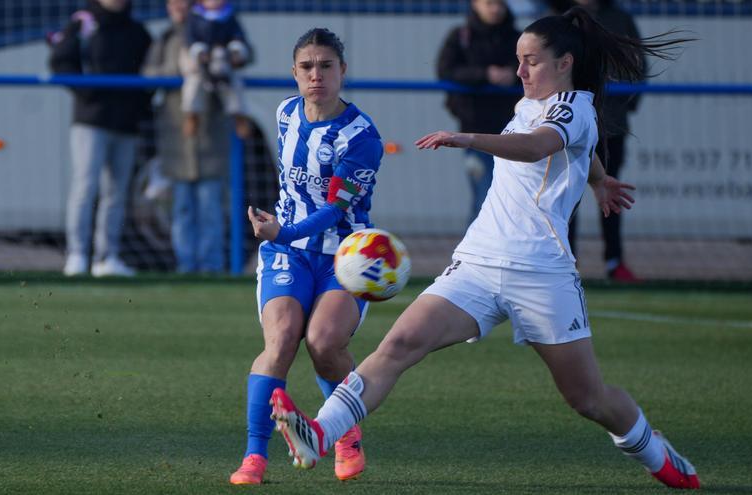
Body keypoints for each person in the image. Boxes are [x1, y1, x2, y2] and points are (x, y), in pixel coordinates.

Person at [270, 8, 700, 490]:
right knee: (399, 344)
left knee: (589, 400)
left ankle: (654, 449)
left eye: (531, 61)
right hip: (476, 263)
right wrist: (598, 179)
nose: (520, 71)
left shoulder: (573, 106)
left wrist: (469, 138)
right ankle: (319, 435)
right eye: (518, 60)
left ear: (565, 62)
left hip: (541, 275)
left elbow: (541, 145)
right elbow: (576, 145)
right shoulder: (530, 103)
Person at [228, 28, 385, 485]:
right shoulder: (285, 114)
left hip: (345, 255)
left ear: (343, 71)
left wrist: (285, 230)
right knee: (279, 342)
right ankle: (255, 457)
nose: (316, 75)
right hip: (286, 253)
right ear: (294, 73)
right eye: (306, 67)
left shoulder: (361, 137)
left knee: (323, 344)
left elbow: (336, 209)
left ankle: (345, 431)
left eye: (326, 66)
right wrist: (283, 236)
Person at [49, 0, 152, 277]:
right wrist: (89, 94)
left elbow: (148, 73)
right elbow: (61, 62)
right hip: (91, 121)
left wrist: (138, 106)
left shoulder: (137, 30)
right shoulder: (83, 23)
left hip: (125, 123)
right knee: (85, 187)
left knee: (116, 193)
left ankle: (107, 257)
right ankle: (77, 255)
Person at [143, 0, 229, 273]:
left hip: (209, 135)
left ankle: (211, 266)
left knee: (210, 207)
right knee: (181, 208)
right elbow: (146, 74)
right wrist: (175, 73)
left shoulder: (216, 29)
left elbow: (241, 57)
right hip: (177, 137)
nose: (178, 6)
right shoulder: (165, 38)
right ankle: (186, 265)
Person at [567, 0, 645, 281]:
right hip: (570, 129)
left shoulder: (620, 19)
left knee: (610, 194)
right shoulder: (560, 17)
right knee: (566, 197)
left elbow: (638, 65)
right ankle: (566, 261)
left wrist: (621, 106)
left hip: (610, 126)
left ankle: (614, 261)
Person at [437, 0, 521, 225]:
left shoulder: (517, 37)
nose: (495, 9)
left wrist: (513, 75)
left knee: (512, 199)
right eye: (489, 3)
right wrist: (485, 74)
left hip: (513, 130)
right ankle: (472, 255)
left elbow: (533, 66)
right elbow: (445, 71)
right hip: (475, 128)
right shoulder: (460, 36)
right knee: (484, 196)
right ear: (475, 4)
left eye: (500, 4)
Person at [181, 0, 252, 136]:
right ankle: (192, 114)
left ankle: (239, 115)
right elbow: (190, 38)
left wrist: (236, 50)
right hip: (201, 62)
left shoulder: (229, 16)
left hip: (223, 59)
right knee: (193, 82)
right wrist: (199, 52)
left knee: (234, 84)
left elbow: (238, 36)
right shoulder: (195, 16)